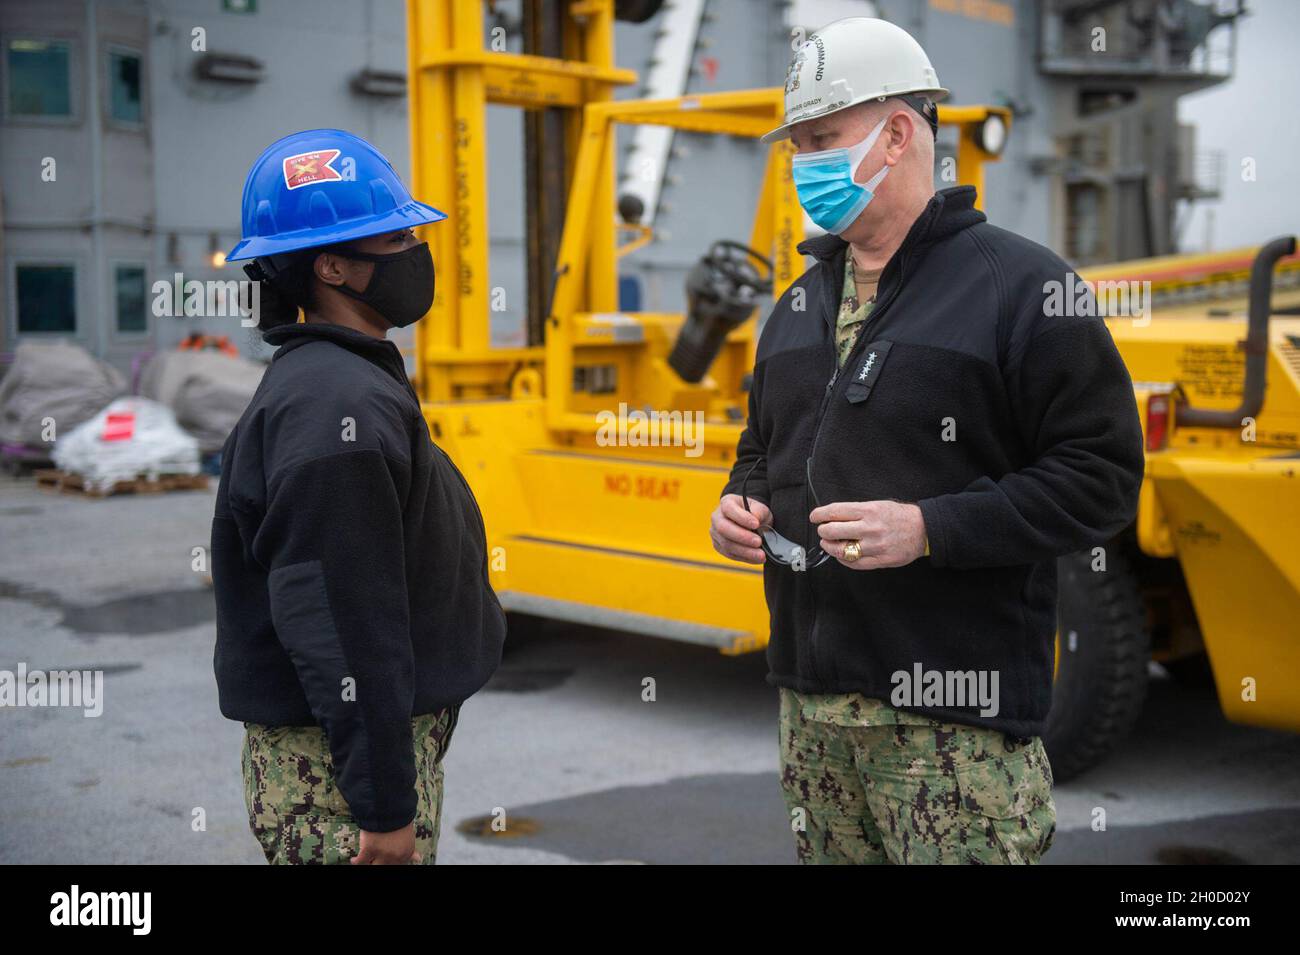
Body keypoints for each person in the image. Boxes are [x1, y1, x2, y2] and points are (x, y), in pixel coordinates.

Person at [709, 18, 1144, 864]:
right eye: (797, 145)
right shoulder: (797, 305)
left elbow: (1101, 477)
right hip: (813, 720)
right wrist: (740, 500)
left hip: (954, 736)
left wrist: (931, 529)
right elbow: (762, 446)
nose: (804, 164)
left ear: (899, 132)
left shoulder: (1021, 288)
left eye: (822, 139)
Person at [212, 129, 506, 864]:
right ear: (333, 266)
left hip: (348, 759)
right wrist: (381, 802)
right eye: (397, 235)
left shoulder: (345, 379)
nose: (416, 250)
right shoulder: (330, 406)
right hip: (337, 778)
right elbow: (341, 621)